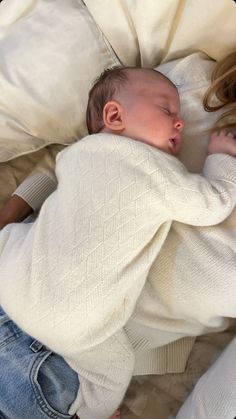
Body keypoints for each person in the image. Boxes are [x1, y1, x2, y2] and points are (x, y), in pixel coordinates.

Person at [0, 65, 236, 419]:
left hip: (10, 283)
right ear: (114, 115)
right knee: (115, 368)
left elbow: (49, 182)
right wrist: (221, 159)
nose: (180, 122)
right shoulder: (157, 171)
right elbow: (214, 202)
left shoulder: (78, 154)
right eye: (168, 111)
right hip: (69, 339)